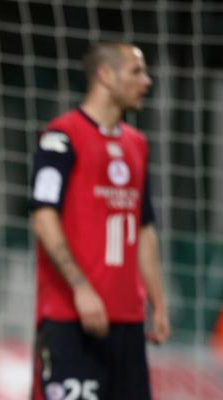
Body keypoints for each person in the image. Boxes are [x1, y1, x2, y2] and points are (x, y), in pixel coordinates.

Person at [29, 42, 170, 400]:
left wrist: (157, 301)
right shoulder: (61, 137)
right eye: (136, 71)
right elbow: (43, 216)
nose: (146, 81)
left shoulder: (138, 143)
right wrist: (81, 288)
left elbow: (143, 226)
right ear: (106, 75)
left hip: (128, 321)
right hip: (70, 316)